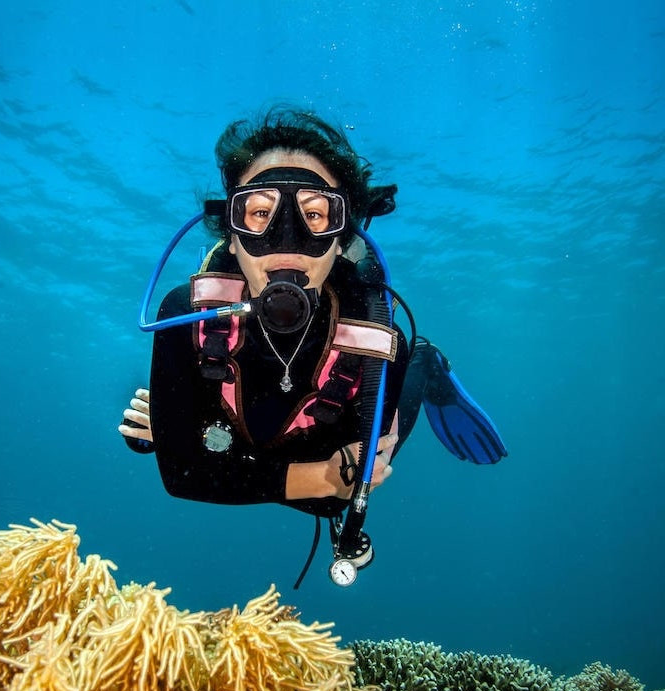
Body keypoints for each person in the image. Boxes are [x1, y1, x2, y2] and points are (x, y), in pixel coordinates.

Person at [119, 107, 506, 587]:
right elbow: (180, 478)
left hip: (333, 433)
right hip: (289, 451)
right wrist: (193, 435)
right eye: (260, 213)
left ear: (341, 238)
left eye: (316, 214)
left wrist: (192, 439)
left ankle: (427, 365)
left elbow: (338, 484)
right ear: (232, 235)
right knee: (319, 486)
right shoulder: (187, 314)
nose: (287, 241)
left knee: (336, 500)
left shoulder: (375, 340)